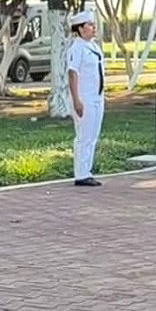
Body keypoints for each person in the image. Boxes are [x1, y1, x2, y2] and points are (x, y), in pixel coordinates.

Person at [67, 11, 105, 187]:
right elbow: (73, 73)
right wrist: (76, 99)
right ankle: (81, 174)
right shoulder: (77, 48)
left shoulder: (94, 46)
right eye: (89, 24)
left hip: (97, 96)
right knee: (84, 136)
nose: (93, 27)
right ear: (80, 29)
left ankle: (87, 171)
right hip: (84, 97)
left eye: (93, 24)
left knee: (93, 135)